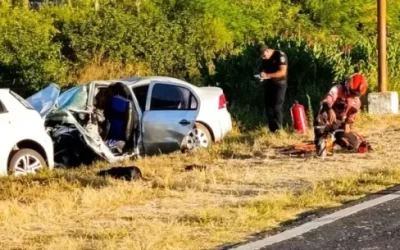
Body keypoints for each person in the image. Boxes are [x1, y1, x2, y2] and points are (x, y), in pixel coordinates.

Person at [313, 73, 371, 156]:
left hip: (340, 125)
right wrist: (329, 110)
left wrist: (347, 125)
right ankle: (320, 140)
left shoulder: (357, 102)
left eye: (355, 94)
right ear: (348, 86)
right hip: (327, 120)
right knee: (322, 115)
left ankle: (336, 142)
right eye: (352, 92)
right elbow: (326, 101)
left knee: (354, 144)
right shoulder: (337, 89)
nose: (352, 96)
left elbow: (352, 117)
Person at [259, 44, 288, 133]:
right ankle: (272, 130)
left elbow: (282, 72)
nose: (263, 58)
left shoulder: (280, 55)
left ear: (267, 51)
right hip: (269, 84)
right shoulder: (265, 59)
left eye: (264, 55)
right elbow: (264, 69)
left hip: (279, 84)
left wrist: (268, 75)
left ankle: (279, 130)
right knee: (268, 108)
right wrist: (262, 74)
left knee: (277, 108)